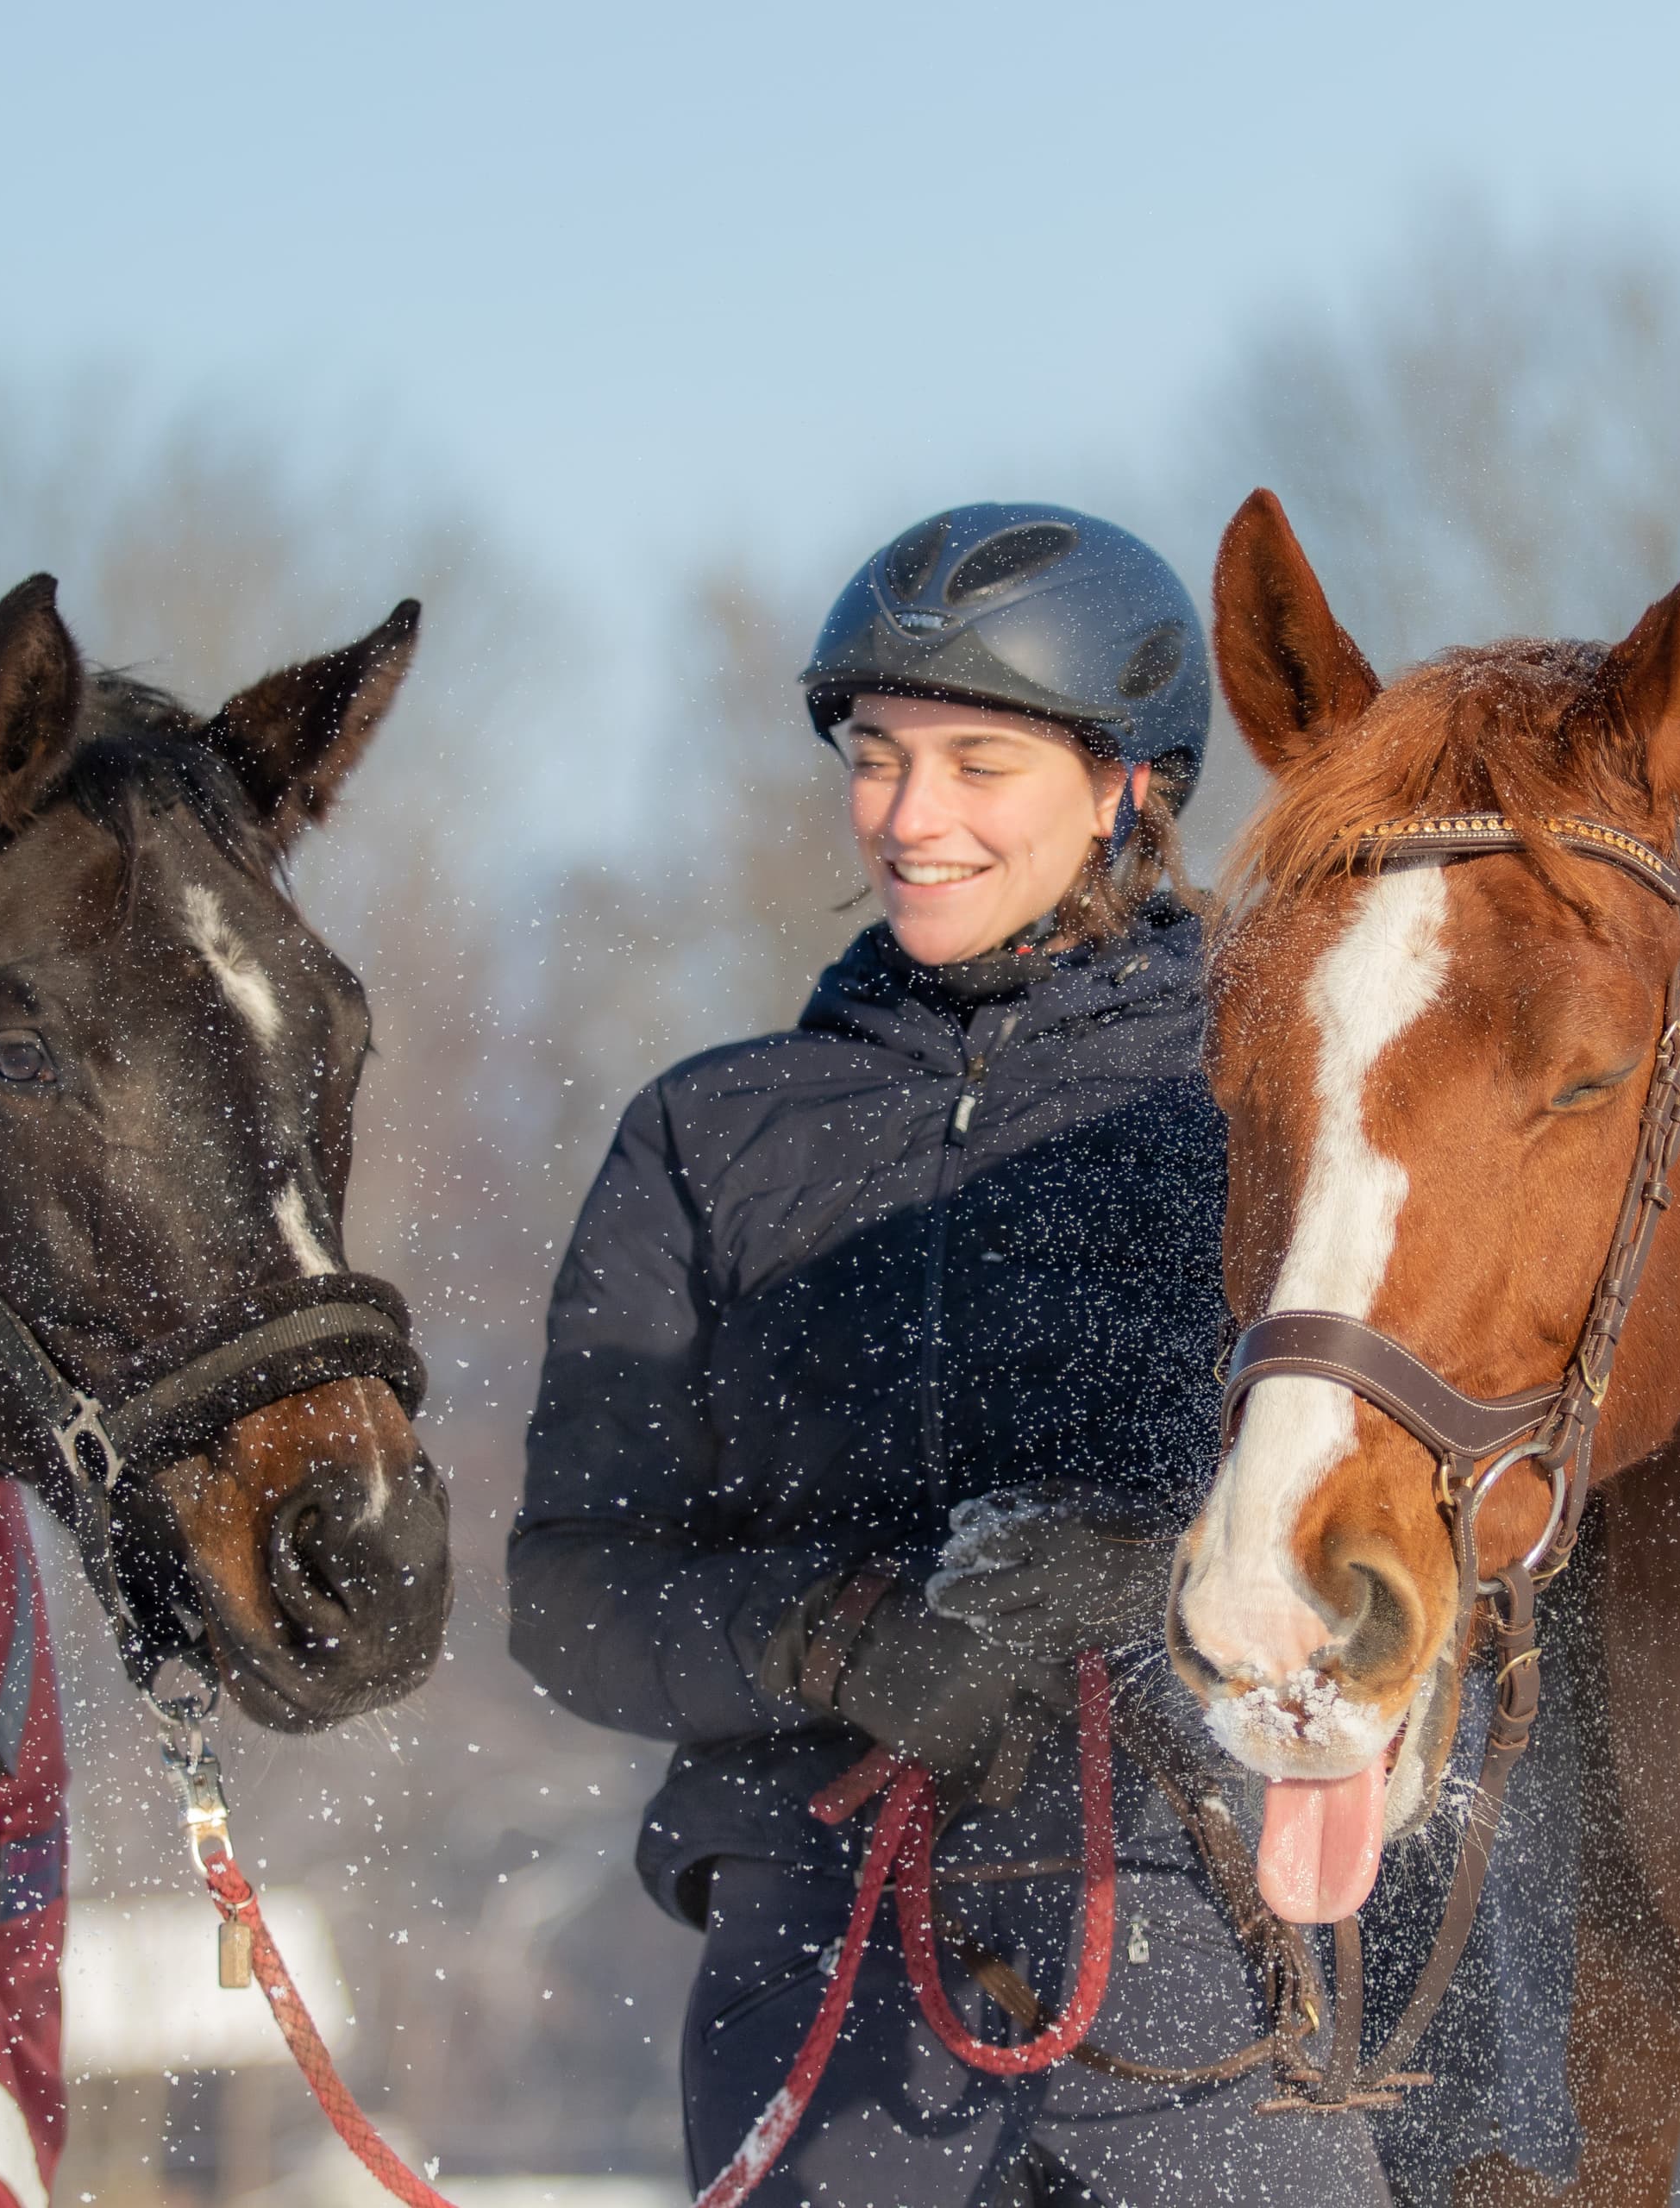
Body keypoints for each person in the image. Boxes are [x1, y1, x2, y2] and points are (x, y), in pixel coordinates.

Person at [510, 503, 1409, 2205]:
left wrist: (1146, 1574)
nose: (910, 819)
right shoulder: (709, 1135)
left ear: (1130, 783)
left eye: (980, 762)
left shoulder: (1259, 1096)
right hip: (820, 1948)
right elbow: (571, 1593)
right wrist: (830, 1639)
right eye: (877, 758)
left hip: (1196, 1928)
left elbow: (1392, 1511)